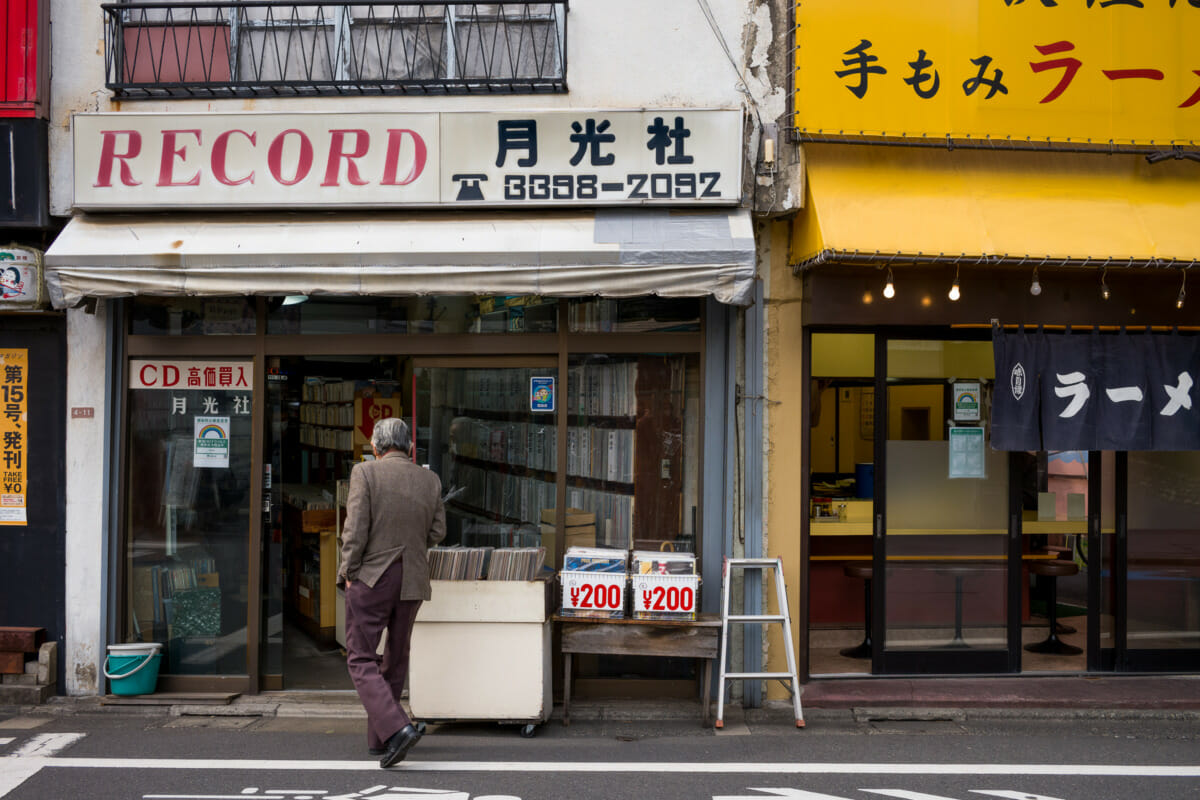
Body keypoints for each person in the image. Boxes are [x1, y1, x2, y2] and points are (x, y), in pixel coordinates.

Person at [338, 416, 445, 768]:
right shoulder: (430, 479)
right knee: (395, 658)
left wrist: (349, 572)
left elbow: (354, 530)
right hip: (413, 577)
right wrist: (410, 545)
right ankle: (381, 739)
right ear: (409, 446)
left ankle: (397, 730)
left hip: (371, 576)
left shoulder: (364, 473)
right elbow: (438, 532)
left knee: (360, 657)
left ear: (375, 447)